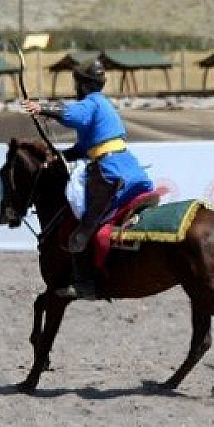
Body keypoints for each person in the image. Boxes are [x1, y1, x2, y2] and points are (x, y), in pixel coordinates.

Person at [22, 59, 155, 299]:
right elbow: (83, 148)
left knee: (82, 222)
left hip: (109, 172)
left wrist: (41, 108)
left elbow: (72, 115)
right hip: (129, 169)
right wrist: (60, 157)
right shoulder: (103, 106)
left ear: (82, 84)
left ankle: (85, 283)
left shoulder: (92, 103)